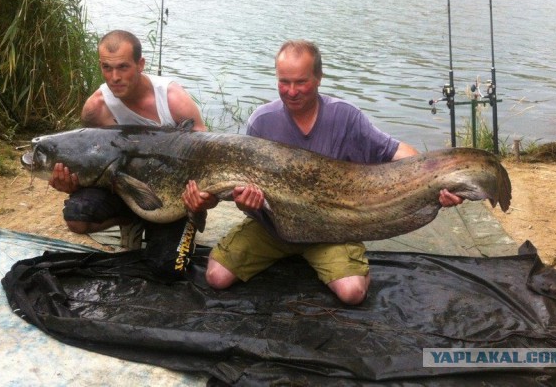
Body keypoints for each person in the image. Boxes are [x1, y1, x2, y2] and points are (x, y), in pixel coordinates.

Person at [182, 39, 463, 305]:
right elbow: (239, 190)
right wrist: (247, 205)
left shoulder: (345, 116)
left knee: (352, 293)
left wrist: (436, 180)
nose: (291, 91)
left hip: (330, 230)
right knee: (216, 277)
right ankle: (287, 254)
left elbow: (394, 151)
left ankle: (348, 263)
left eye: (301, 82)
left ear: (318, 78)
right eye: (284, 82)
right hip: (272, 228)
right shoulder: (261, 123)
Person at [49, 30, 206, 268]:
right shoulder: (96, 108)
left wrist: (201, 200)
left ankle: (178, 227)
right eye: (106, 68)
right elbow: (93, 163)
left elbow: (206, 155)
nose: (114, 77)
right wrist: (72, 184)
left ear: (140, 64)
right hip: (124, 190)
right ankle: (132, 220)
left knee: (168, 269)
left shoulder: (173, 99)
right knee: (77, 217)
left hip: (175, 197)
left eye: (123, 67)